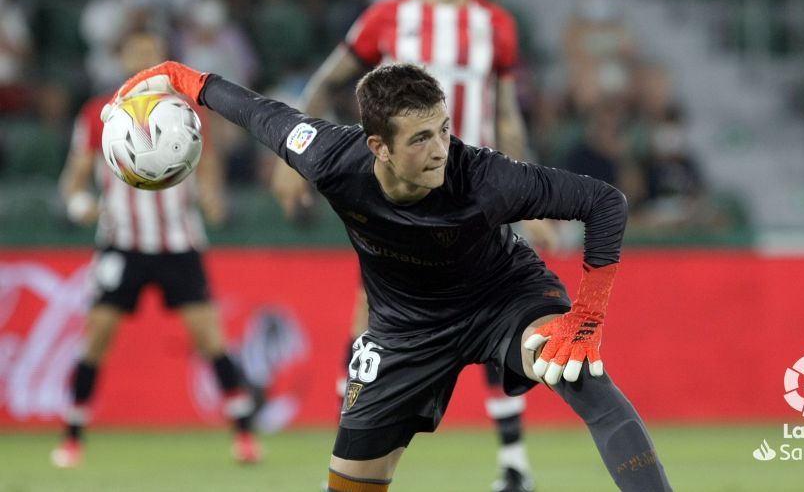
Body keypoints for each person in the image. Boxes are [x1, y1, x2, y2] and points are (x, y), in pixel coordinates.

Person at [109, 60, 673, 492]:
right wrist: (181, 77)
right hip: (403, 329)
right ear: (377, 146)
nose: (440, 149)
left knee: (577, 371)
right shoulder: (330, 158)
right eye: (421, 138)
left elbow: (604, 202)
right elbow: (260, 113)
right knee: (350, 480)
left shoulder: (486, 178)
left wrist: (588, 317)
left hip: (503, 299)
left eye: (443, 129)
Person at [271, 0, 554, 488]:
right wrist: (293, 156)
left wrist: (532, 192)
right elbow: (328, 83)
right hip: (401, 204)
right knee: (370, 321)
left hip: (478, 201)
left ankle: (514, 466)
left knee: (502, 315)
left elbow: (506, 115)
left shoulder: (496, 26)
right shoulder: (387, 19)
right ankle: (350, 452)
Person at [51, 31, 261, 469]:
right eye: (136, 53)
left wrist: (212, 199)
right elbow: (74, 177)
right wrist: (78, 203)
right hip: (121, 243)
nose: (143, 60)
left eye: (151, 54)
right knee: (97, 336)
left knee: (209, 336)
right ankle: (72, 438)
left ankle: (244, 434)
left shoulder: (183, 111)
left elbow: (208, 169)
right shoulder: (98, 114)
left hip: (178, 242)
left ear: (160, 61)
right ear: (122, 59)